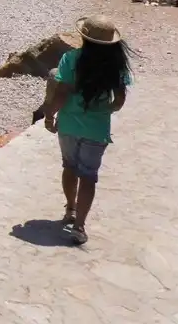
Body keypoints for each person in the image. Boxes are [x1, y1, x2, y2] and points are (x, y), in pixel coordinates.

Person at [43, 16, 133, 246]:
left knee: (69, 167)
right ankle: (80, 225)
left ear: (84, 36)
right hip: (97, 129)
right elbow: (119, 100)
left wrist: (49, 115)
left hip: (69, 124)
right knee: (88, 177)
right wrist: (102, 111)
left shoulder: (70, 59)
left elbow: (61, 93)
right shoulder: (116, 66)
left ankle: (70, 209)